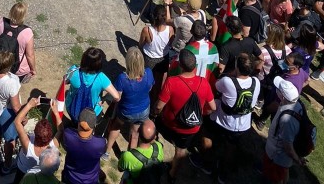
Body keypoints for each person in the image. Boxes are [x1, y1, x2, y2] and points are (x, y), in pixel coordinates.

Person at [190, 52, 260, 179]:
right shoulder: (256, 82)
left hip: (223, 121)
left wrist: (231, 74)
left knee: (207, 134)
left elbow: (217, 86)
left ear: (237, 68)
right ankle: (223, 173)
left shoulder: (228, 81)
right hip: (243, 124)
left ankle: (206, 163)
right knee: (231, 147)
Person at [155, 49, 216, 180]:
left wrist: (155, 114)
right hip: (192, 127)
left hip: (170, 124)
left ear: (180, 66)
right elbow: (212, 107)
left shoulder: (172, 82)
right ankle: (172, 175)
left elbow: (159, 106)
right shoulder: (204, 83)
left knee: (156, 127)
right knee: (181, 151)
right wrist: (201, 113)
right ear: (195, 66)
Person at [105, 47, 154, 158]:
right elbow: (150, 88)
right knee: (135, 134)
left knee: (116, 127)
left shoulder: (122, 78)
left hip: (126, 111)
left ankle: (106, 152)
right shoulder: (149, 73)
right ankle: (130, 158)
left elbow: (117, 97)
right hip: (143, 109)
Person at [263, 77, 303, 184]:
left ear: (283, 96)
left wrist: (297, 159)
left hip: (276, 157)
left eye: (278, 90)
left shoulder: (287, 120)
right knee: (282, 174)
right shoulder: (296, 104)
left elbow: (288, 146)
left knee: (273, 178)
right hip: (279, 158)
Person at [65, 46, 121, 119]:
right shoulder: (101, 78)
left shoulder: (74, 70)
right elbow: (117, 97)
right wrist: (103, 99)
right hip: (91, 114)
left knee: (75, 122)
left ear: (83, 59)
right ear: (99, 64)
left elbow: (65, 81)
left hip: (72, 108)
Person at [14, 97, 58, 183]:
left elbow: (17, 122)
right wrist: (56, 113)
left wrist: (29, 105)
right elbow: (61, 130)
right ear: (50, 136)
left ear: (34, 131)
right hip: (40, 174)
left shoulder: (28, 144)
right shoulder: (53, 145)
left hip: (23, 171)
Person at [57, 107, 106, 184]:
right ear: (94, 127)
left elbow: (62, 130)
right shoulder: (100, 143)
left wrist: (56, 113)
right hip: (90, 181)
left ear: (78, 122)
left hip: (69, 178)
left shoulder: (68, 135)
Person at [0, 2, 36, 81]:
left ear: (11, 12)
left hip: (0, 63)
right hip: (17, 68)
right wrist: (33, 69)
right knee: (13, 86)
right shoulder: (27, 32)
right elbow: (30, 55)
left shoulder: (0, 23)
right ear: (23, 16)